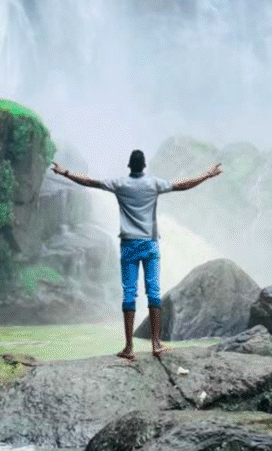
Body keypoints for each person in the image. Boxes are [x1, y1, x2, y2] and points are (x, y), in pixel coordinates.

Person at [51, 149, 222, 360]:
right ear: (144, 166)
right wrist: (207, 175)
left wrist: (65, 172)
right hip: (150, 245)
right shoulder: (153, 184)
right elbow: (183, 185)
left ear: (129, 166)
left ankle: (129, 347)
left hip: (129, 245)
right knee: (154, 292)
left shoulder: (120, 184)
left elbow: (90, 182)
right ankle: (156, 343)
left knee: (129, 293)